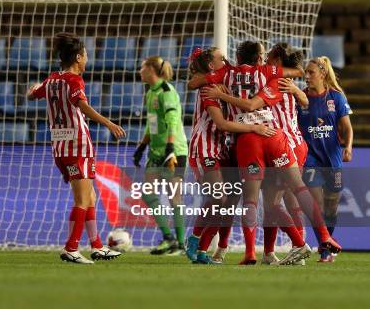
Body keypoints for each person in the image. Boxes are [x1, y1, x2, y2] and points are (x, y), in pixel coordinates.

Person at [199, 41, 340, 265]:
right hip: (284, 141)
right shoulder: (272, 76)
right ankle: (312, 240)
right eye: (262, 55)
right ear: (258, 59)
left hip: (255, 139)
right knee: (288, 196)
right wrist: (297, 86)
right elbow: (305, 98)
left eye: (268, 56)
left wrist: (218, 90)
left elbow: (245, 103)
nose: (264, 59)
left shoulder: (232, 74)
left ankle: (270, 250)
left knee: (262, 200)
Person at [27, 32, 125, 264]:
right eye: (86, 55)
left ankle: (97, 246)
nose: (87, 59)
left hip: (60, 147)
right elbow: (82, 105)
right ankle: (71, 248)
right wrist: (109, 123)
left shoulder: (51, 79)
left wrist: (32, 90)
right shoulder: (74, 80)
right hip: (78, 145)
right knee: (83, 199)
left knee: (89, 196)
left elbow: (32, 95)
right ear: (78, 57)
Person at [186, 47, 275, 264]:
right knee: (218, 197)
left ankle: (205, 250)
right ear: (210, 66)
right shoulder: (209, 88)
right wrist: (255, 128)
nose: (226, 61)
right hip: (205, 148)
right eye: (221, 58)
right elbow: (221, 123)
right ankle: (195, 238)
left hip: (223, 147)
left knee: (228, 202)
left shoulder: (226, 82)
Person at [299, 56, 353, 262]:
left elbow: (347, 128)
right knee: (317, 205)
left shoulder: (336, 98)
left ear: (322, 74)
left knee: (331, 206)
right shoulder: (301, 98)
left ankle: (327, 243)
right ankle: (324, 249)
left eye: (311, 72)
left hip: (332, 158)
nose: (307, 76)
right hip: (310, 157)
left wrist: (347, 147)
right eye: (306, 72)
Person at [132, 56, 188, 255]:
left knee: (174, 197)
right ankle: (169, 238)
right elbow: (152, 124)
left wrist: (170, 147)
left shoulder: (167, 92)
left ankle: (181, 244)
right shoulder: (151, 93)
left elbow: (173, 120)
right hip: (156, 151)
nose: (140, 71)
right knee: (148, 194)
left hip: (173, 151)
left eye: (142, 67)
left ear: (151, 69)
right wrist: (141, 147)